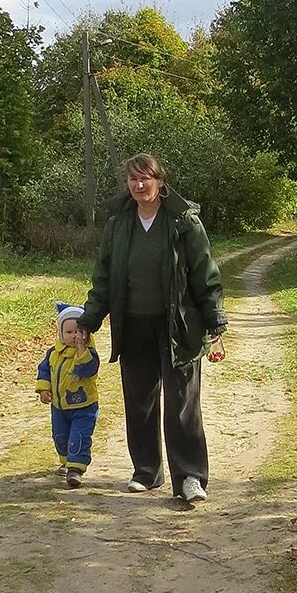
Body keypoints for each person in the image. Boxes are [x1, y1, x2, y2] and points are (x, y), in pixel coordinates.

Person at [75, 154, 227, 503]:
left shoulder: (182, 221)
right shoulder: (119, 223)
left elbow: (205, 272)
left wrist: (215, 318)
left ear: (161, 182)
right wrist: (89, 319)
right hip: (133, 325)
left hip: (179, 326)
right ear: (128, 185)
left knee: (182, 404)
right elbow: (104, 278)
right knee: (139, 402)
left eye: (146, 179)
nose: (140, 185)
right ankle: (146, 471)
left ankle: (190, 477)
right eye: (133, 180)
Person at [35, 303, 100, 489]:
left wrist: (81, 351)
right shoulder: (53, 353)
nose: (74, 336)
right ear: (61, 334)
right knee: (60, 436)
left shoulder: (89, 355)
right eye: (69, 332)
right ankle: (66, 461)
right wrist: (43, 389)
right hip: (59, 406)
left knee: (79, 436)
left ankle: (76, 469)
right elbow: (45, 371)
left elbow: (87, 370)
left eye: (79, 332)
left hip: (84, 406)